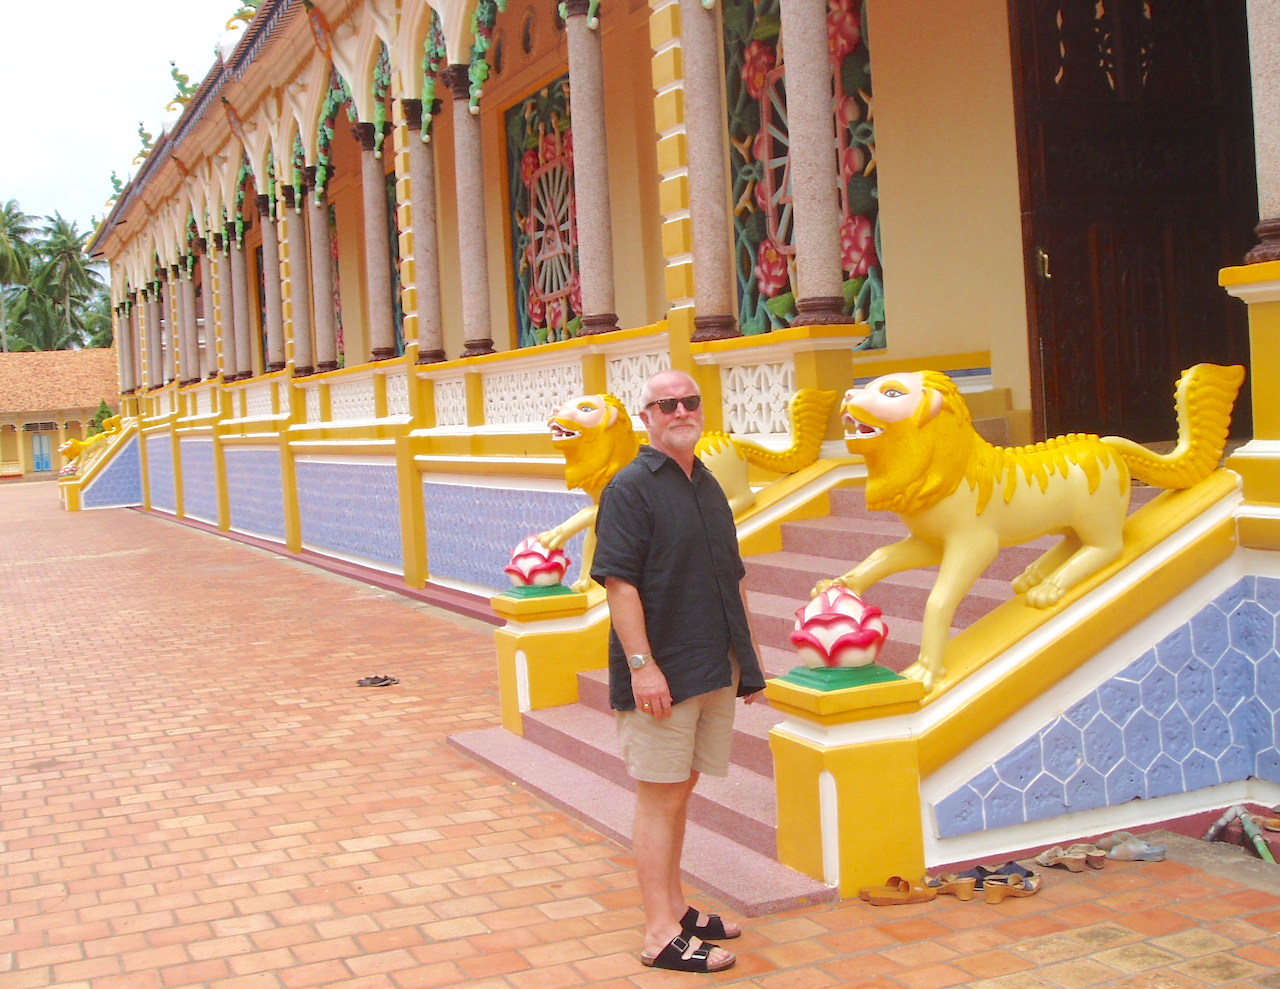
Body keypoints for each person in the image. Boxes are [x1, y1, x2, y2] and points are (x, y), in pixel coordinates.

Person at [591, 368, 766, 974]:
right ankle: (658, 933)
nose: (681, 412)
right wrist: (642, 668)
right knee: (659, 795)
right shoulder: (630, 488)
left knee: (680, 790)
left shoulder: (708, 483)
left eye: (689, 401)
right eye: (666, 405)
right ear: (647, 417)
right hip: (661, 670)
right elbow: (620, 584)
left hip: (711, 663)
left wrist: (749, 662)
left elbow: (731, 576)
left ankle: (676, 907)